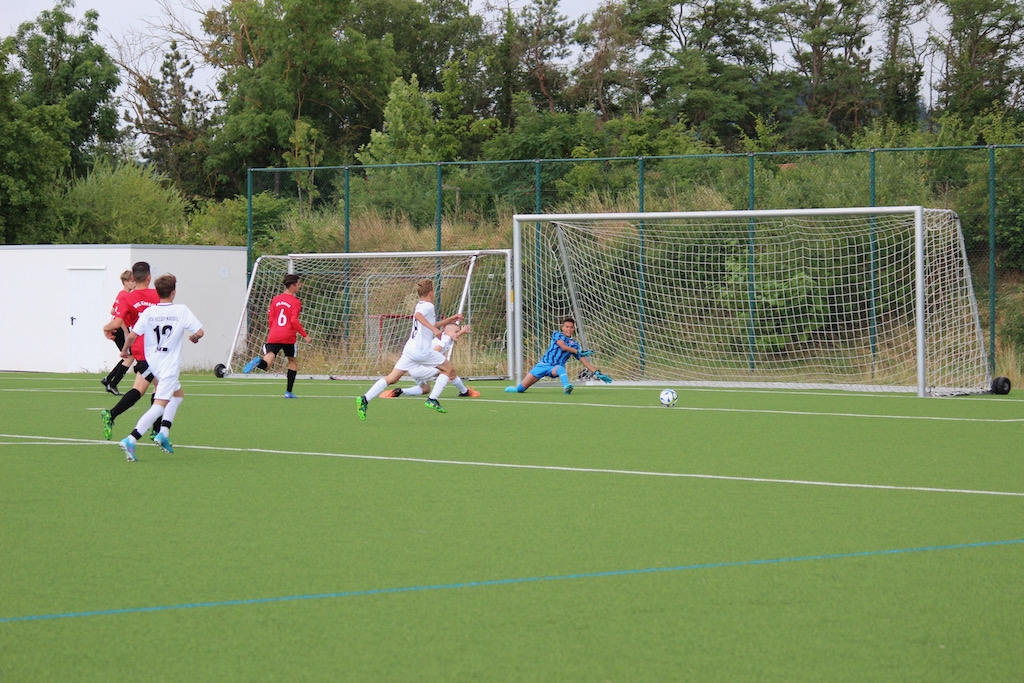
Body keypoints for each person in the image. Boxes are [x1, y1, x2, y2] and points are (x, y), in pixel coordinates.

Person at [118, 274, 204, 462]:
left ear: (157, 292)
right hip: (168, 367)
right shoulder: (181, 310)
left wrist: (124, 351)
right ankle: (131, 439)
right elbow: (199, 332)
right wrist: (194, 338)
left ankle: (163, 432)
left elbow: (132, 335)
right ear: (174, 292)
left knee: (178, 395)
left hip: (154, 364)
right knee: (159, 406)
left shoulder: (149, 312)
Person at [357, 278, 463, 419]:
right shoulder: (428, 306)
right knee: (449, 370)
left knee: (392, 378)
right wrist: (435, 330)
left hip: (410, 349)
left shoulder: (420, 304)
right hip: (422, 350)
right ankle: (432, 399)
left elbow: (429, 323)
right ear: (431, 292)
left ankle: (365, 399)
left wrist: (450, 319)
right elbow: (418, 317)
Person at [99, 262, 161, 440]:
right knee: (161, 388)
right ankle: (156, 430)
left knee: (141, 389)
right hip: (154, 349)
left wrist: (106, 328)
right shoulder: (158, 295)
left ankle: (111, 414)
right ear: (149, 277)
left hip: (140, 348)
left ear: (133, 277)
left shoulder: (128, 297)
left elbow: (117, 322)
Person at [504, 317, 612, 394]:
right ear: (563, 328)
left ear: (574, 329)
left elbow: (585, 362)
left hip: (555, 368)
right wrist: (578, 351)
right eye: (567, 327)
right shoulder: (557, 334)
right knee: (521, 389)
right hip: (542, 365)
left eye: (571, 327)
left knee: (561, 368)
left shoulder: (574, 344)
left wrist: (597, 373)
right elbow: (563, 347)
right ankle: (514, 389)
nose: (569, 329)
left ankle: (566, 387)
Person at [243, 274, 309, 398]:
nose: (300, 286)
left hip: (274, 334)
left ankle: (258, 362)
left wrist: (274, 330)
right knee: (292, 362)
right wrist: (305, 335)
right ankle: (288, 392)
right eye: (299, 284)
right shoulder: (295, 302)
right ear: (293, 285)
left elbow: (271, 318)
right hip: (288, 336)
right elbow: (293, 320)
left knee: (267, 365)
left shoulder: (276, 299)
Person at [380, 323, 480, 399]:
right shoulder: (444, 339)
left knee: (425, 389)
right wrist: (442, 369)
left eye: (458, 332)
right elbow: (436, 351)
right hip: (421, 368)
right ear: (447, 332)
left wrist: (461, 332)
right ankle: (464, 392)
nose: (458, 334)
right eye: (456, 332)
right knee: (449, 371)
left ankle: (399, 391)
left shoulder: (446, 337)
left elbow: (451, 336)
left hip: (414, 368)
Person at [100, 269, 135, 395]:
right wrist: (126, 332)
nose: (134, 283)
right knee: (129, 357)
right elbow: (120, 316)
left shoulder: (121, 294)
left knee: (128, 356)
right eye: (132, 281)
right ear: (125, 282)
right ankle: (112, 384)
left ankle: (108, 379)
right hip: (120, 329)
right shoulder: (125, 296)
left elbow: (113, 311)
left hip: (117, 329)